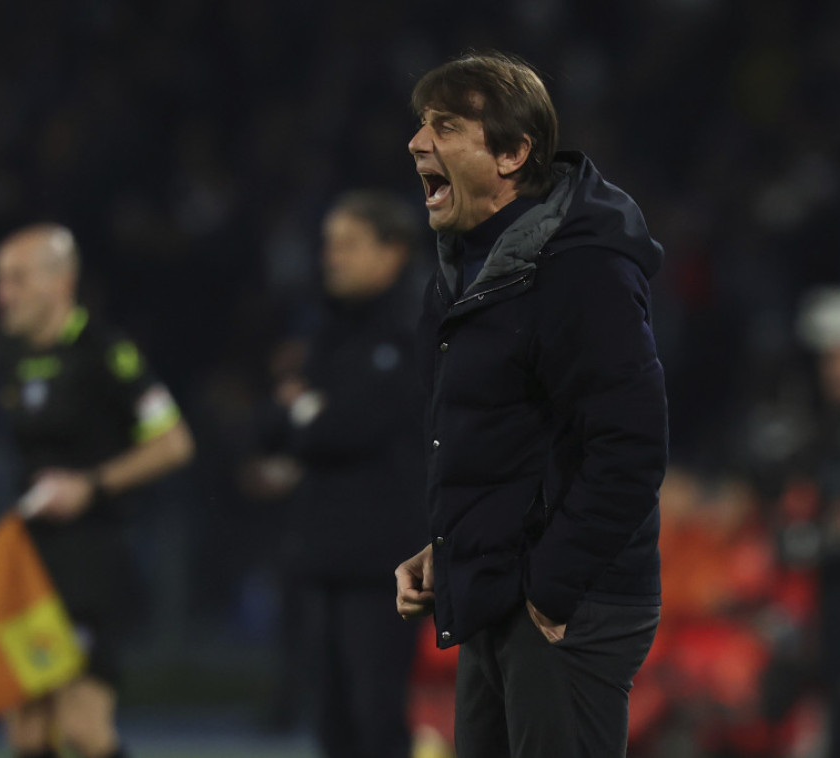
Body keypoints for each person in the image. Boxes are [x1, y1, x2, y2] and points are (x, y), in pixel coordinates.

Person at [394, 52, 668, 758]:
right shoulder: (465, 266)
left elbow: (631, 446)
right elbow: (506, 441)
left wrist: (552, 586)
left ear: (513, 153)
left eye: (445, 127)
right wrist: (450, 545)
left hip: (564, 604)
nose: (417, 142)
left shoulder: (584, 268)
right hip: (497, 591)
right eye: (422, 124)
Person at [0, 224, 195, 758]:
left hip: (90, 558)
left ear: (60, 281)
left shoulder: (105, 352)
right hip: (26, 557)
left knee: (82, 727)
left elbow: (174, 443)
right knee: (27, 731)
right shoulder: (9, 356)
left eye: (16, 279)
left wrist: (90, 485)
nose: (2, 294)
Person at [251, 190, 427, 758]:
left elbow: (357, 425)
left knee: (377, 717)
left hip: (384, 563)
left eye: (349, 244)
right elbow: (269, 425)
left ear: (392, 251)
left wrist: (304, 411)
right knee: (331, 722)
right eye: (329, 244)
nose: (332, 256)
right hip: (320, 554)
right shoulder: (329, 327)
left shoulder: (415, 327)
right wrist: (310, 415)